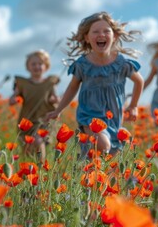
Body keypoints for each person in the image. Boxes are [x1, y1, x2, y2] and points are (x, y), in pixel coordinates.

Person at [46, 11, 144, 155]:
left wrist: (133, 106)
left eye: (106, 31)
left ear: (114, 36)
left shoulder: (121, 64)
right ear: (86, 37)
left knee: (108, 156)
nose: (101, 35)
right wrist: (58, 110)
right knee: (104, 146)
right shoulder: (83, 64)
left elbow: (139, 81)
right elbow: (72, 87)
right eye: (95, 31)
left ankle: (85, 170)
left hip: (113, 117)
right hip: (89, 115)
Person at [9, 49, 60, 162]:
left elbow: (57, 99)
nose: (37, 66)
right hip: (27, 120)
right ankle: (28, 171)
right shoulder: (22, 83)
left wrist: (54, 100)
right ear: (28, 67)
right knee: (27, 147)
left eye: (40, 64)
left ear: (46, 66)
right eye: (33, 64)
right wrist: (14, 100)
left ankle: (42, 167)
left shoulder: (50, 83)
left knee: (38, 140)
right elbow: (12, 99)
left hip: (44, 119)